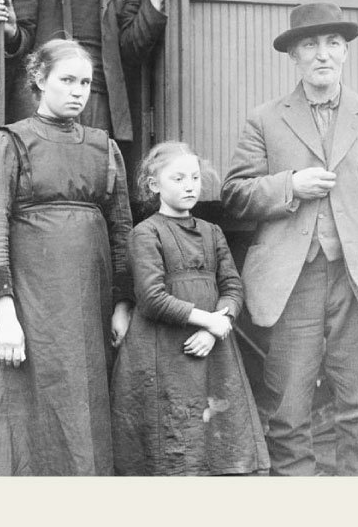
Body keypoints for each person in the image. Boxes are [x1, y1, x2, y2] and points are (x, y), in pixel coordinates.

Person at [221, 2, 358, 476]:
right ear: (294, 56)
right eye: (310, 44)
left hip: (357, 282)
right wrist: (290, 186)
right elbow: (235, 196)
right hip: (292, 282)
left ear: (345, 52)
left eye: (333, 44)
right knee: (287, 410)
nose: (322, 54)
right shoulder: (265, 119)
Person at [0, 39, 133, 475]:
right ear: (38, 79)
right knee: (24, 416)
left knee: (82, 413)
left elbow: (123, 229)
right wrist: (5, 312)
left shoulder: (104, 147)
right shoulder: (7, 142)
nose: (78, 91)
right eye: (67, 80)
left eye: (86, 83)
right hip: (28, 305)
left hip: (87, 308)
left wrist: (124, 303)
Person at [109, 142, 269, 476]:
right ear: (154, 185)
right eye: (178, 178)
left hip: (211, 351)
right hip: (163, 352)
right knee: (170, 444)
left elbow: (233, 287)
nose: (189, 185)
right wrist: (207, 320)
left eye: (195, 177)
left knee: (215, 441)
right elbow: (151, 298)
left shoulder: (213, 232)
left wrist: (215, 327)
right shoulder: (146, 233)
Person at [0, 0, 175, 138]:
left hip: (99, 100)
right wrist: (12, 33)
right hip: (45, 97)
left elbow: (131, 50)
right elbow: (24, 38)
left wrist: (154, 2)